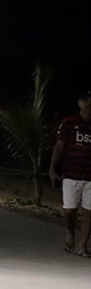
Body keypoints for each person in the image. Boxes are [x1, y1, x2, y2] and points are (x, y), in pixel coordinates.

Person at [50, 90, 91, 256]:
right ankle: (70, 231)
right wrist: (52, 169)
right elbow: (59, 147)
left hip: (90, 177)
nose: (89, 105)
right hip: (71, 175)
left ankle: (83, 246)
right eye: (85, 101)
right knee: (69, 210)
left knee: (89, 212)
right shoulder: (69, 122)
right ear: (80, 103)